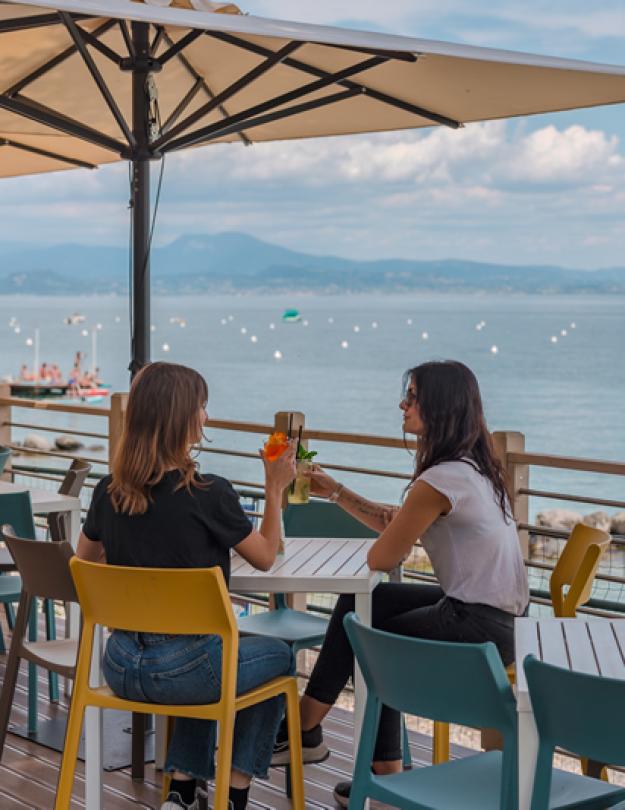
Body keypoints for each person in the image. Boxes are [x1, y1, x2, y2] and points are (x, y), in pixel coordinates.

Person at [271, 360, 529, 807]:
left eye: (412, 397)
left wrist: (392, 534)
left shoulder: (441, 479)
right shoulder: (473, 467)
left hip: (480, 624)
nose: (402, 404)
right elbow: (394, 522)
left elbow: (382, 554)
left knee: (376, 637)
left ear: (440, 408)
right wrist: (334, 491)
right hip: (500, 616)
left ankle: (324, 736)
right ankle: (318, 732)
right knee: (369, 599)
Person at [77, 361, 297, 810]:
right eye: (201, 406)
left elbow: (84, 563)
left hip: (119, 665)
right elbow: (266, 554)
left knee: (213, 646)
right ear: (181, 418)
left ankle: (181, 791)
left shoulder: (107, 491)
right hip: (186, 672)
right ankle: (233, 795)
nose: (207, 417)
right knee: (275, 656)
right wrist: (274, 488)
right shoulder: (211, 493)